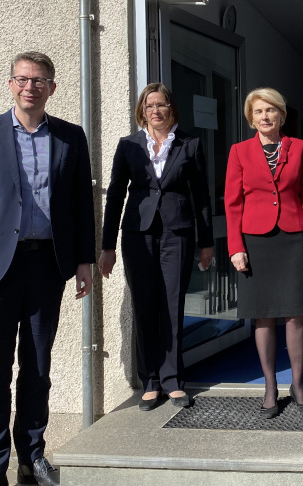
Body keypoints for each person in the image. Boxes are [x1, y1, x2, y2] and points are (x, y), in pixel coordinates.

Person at [0, 51, 95, 486]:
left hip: (47, 265)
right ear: (11, 84)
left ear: (52, 87)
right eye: (23, 79)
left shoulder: (70, 136)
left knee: (37, 368)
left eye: (39, 80)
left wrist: (83, 260)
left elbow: (81, 205)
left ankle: (32, 457)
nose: (31, 87)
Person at [99, 83, 214, 412]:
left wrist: (206, 242)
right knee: (145, 305)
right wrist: (107, 246)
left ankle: (173, 380)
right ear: (142, 111)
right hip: (138, 235)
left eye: (161, 104)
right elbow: (115, 196)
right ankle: (150, 381)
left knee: (172, 305)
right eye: (149, 106)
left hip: (178, 234)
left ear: (171, 108)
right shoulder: (129, 145)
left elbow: (201, 197)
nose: (156, 111)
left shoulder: (189, 144)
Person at [225, 88, 303, 419]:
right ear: (251, 119)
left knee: (296, 314)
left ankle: (298, 384)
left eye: (270, 110)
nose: (265, 116)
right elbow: (232, 204)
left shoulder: (300, 148)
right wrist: (236, 247)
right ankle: (270, 387)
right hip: (255, 242)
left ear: (281, 115)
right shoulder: (239, 152)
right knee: (263, 315)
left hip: (293, 239)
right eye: (258, 112)